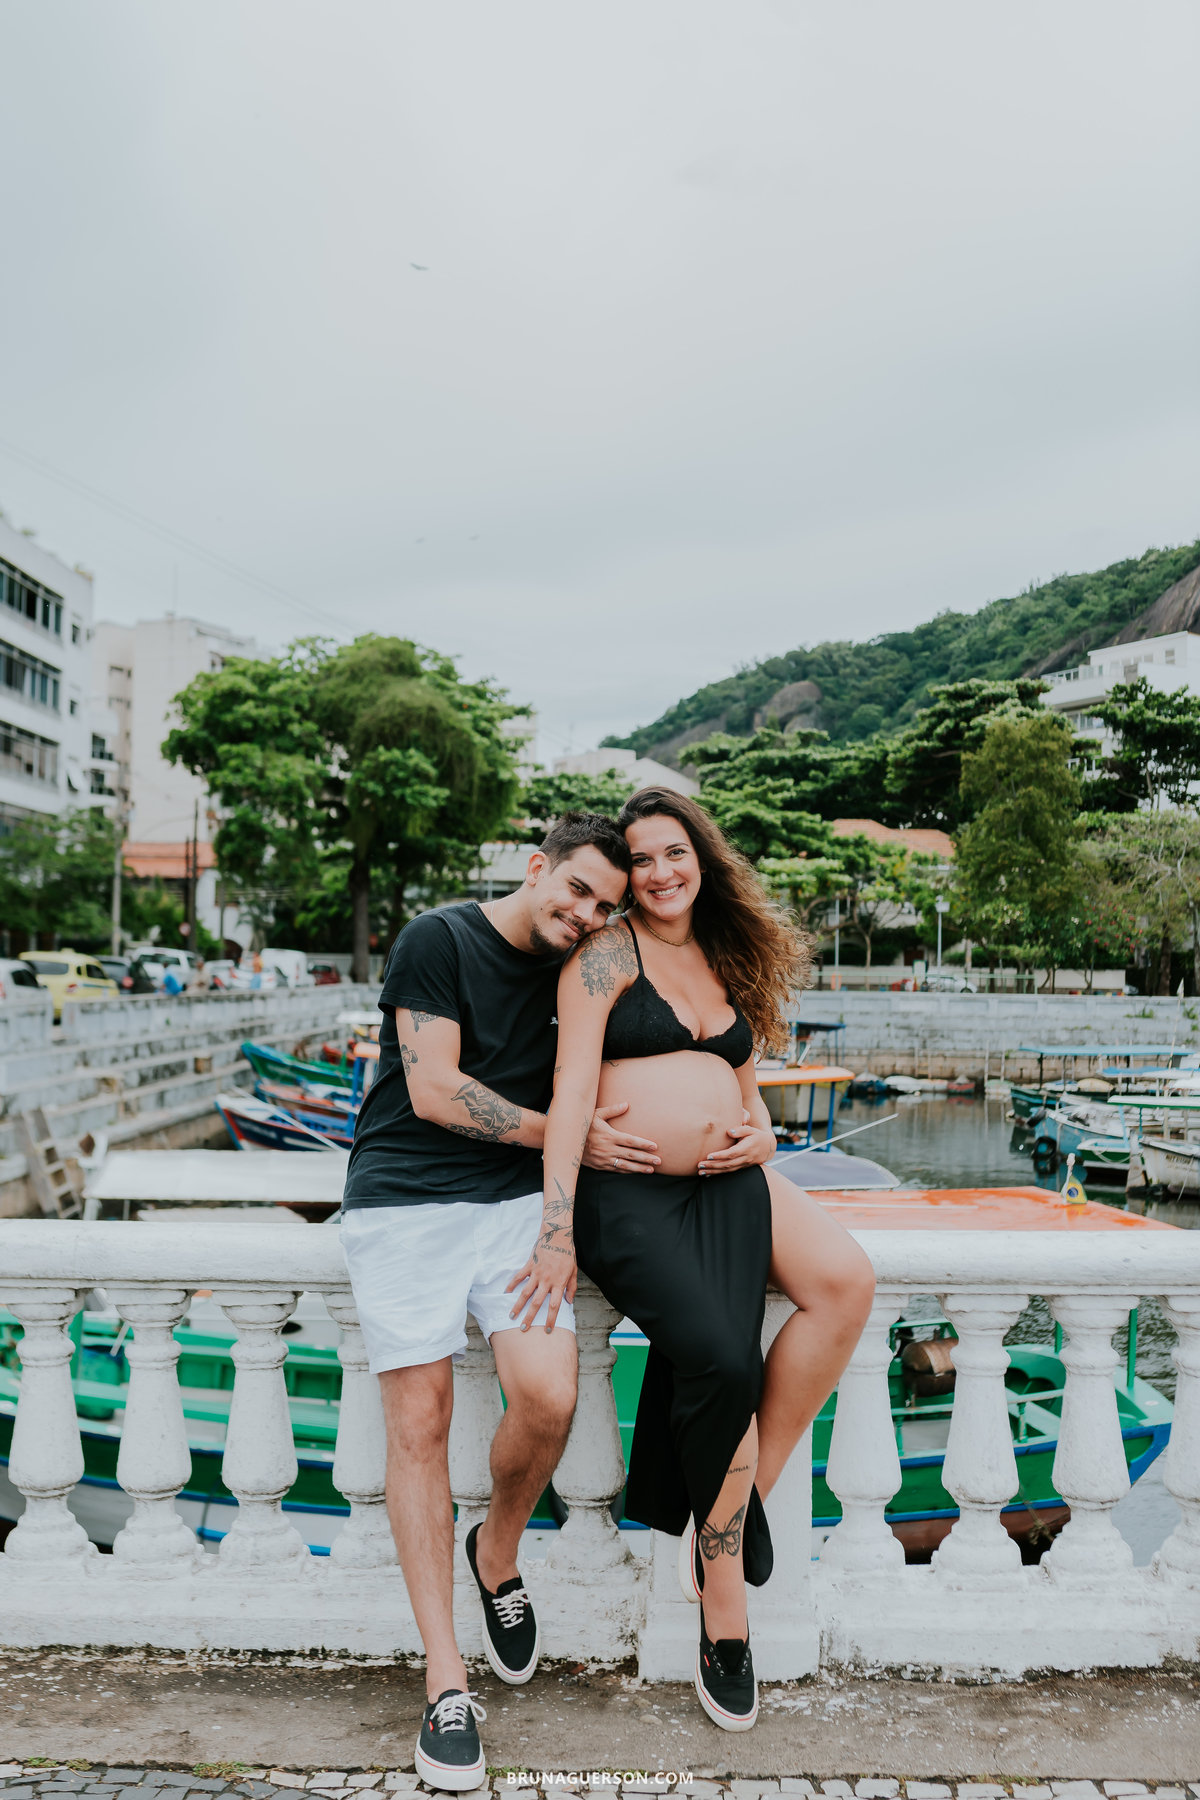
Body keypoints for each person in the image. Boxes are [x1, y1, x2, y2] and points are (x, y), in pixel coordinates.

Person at [510, 787, 875, 1734]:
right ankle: (726, 1614)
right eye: (641, 860)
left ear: (701, 856)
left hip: (730, 1180)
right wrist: (556, 1227)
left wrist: (760, 1139)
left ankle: (738, 1505)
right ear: (623, 875)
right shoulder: (603, 955)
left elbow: (747, 1095)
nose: (661, 873)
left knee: (844, 1283)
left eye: (675, 852)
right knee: (719, 1357)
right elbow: (570, 1086)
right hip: (630, 1197)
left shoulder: (725, 951)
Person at [339, 812, 655, 1791]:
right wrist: (566, 1135)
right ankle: (445, 1683)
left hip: (512, 1210)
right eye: (578, 891)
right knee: (421, 1422)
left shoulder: (589, 962)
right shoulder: (439, 937)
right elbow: (434, 1091)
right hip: (403, 1202)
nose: (587, 913)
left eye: (606, 903)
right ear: (537, 867)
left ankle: (498, 1550)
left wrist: (562, 1210)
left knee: (550, 1398)